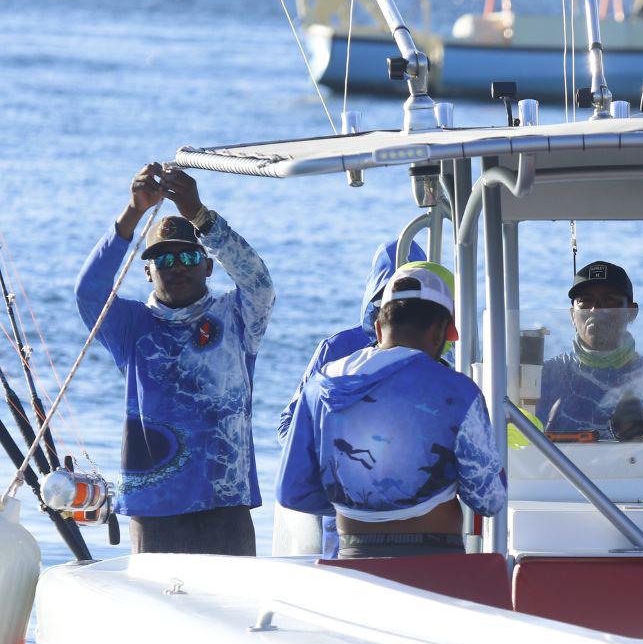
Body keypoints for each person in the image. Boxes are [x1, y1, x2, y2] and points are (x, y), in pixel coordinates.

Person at [75, 163, 275, 555]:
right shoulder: (131, 325)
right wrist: (132, 213)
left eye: (187, 258)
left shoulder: (236, 316)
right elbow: (88, 293)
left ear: (208, 265)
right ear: (148, 272)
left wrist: (199, 215)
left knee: (234, 610)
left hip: (227, 503)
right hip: (156, 509)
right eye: (163, 261)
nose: (177, 268)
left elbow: (258, 280)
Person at [276, 263, 506, 557]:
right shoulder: (458, 391)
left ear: (377, 327)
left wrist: (362, 502)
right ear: (439, 332)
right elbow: (490, 499)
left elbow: (292, 492)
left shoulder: (321, 385)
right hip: (435, 561)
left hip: (352, 558)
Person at [276, 239, 432, 554]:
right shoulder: (336, 350)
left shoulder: (444, 348)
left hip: (423, 529)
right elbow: (289, 427)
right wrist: (342, 483)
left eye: (411, 300)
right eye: (387, 297)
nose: (398, 309)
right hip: (347, 534)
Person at [537, 261, 643, 439]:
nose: (596, 309)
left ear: (632, 312)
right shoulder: (545, 377)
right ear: (572, 315)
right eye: (585, 301)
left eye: (609, 301)